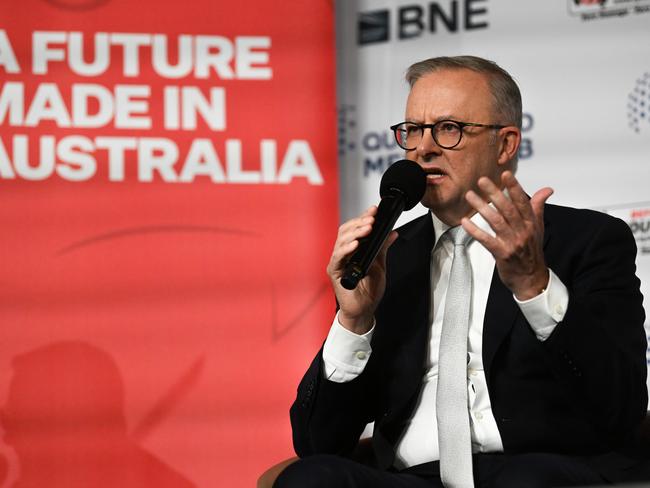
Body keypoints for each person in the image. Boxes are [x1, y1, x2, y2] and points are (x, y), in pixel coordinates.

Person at [275, 56, 648, 488]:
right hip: (415, 478)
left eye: (448, 128)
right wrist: (355, 322)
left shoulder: (586, 240)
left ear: (506, 144)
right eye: (412, 130)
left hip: (537, 467)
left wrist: (534, 284)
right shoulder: (387, 257)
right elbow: (317, 441)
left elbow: (620, 406)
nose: (422, 148)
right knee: (311, 479)